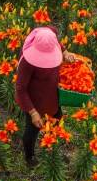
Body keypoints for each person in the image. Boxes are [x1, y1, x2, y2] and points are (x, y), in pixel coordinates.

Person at [14, 26, 75, 168]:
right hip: (34, 100)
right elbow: (20, 89)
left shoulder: (49, 34)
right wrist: (33, 112)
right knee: (32, 130)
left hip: (52, 94)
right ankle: (29, 157)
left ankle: (53, 150)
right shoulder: (27, 61)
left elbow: (56, 42)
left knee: (57, 121)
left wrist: (65, 52)